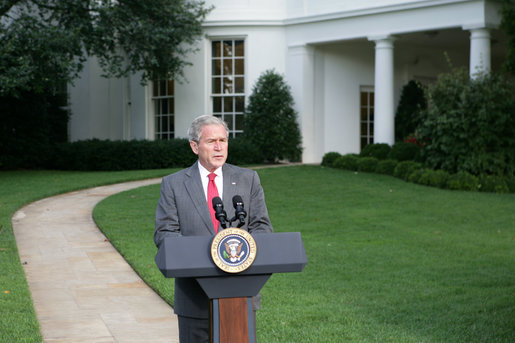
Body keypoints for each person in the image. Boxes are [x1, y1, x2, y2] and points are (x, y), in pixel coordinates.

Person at [154, 115, 273, 342]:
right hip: (194, 296)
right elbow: (165, 233)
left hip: (240, 293)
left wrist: (240, 257)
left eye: (223, 140)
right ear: (194, 146)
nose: (219, 147)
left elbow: (262, 227)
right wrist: (201, 256)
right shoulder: (174, 184)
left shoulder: (248, 179)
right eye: (211, 141)